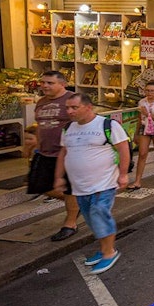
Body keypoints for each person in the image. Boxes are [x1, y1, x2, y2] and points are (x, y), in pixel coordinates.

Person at [54, 93, 130, 274]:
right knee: (90, 218)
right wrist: (59, 176)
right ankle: (104, 248)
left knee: (99, 214)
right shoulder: (68, 128)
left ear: (88, 107)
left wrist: (124, 174)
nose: (70, 111)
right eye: (68, 108)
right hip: (80, 186)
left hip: (103, 184)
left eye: (74, 107)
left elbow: (123, 148)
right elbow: (63, 153)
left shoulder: (107, 125)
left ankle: (109, 252)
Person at [32, 70, 80, 242]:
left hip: (67, 153)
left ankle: (70, 224)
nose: (45, 85)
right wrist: (36, 146)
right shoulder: (41, 102)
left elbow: (85, 122)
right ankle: (78, 203)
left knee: (69, 189)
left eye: (50, 83)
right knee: (40, 185)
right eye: (43, 82)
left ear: (62, 84)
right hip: (45, 152)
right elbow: (40, 125)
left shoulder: (73, 100)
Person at [132, 80, 154, 189]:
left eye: (152, 91)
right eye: (147, 90)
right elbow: (139, 119)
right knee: (142, 154)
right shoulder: (142, 102)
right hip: (145, 127)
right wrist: (136, 133)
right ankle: (137, 181)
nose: (150, 93)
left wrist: (147, 114)